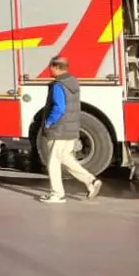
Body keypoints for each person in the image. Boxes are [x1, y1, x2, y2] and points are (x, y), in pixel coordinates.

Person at [40, 56, 103, 204]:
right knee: (66, 158)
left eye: (51, 67)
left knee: (53, 161)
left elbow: (59, 108)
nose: (49, 70)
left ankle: (57, 194)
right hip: (70, 127)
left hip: (59, 129)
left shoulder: (58, 85)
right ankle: (90, 181)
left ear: (56, 67)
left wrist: (49, 122)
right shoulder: (72, 82)